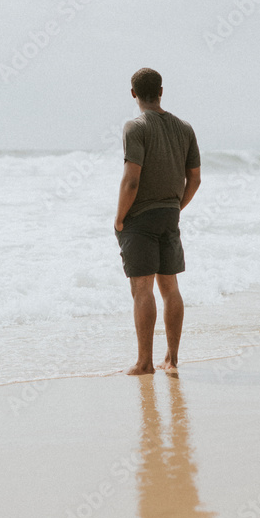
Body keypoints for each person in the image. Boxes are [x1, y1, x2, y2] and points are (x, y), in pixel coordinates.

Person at [114, 67, 201, 376]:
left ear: (133, 94)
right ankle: (172, 359)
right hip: (169, 215)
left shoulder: (135, 127)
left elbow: (131, 181)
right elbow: (195, 179)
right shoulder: (184, 128)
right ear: (161, 91)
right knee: (170, 287)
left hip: (141, 218)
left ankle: (144, 363)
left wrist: (120, 218)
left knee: (142, 290)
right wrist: (177, 207)